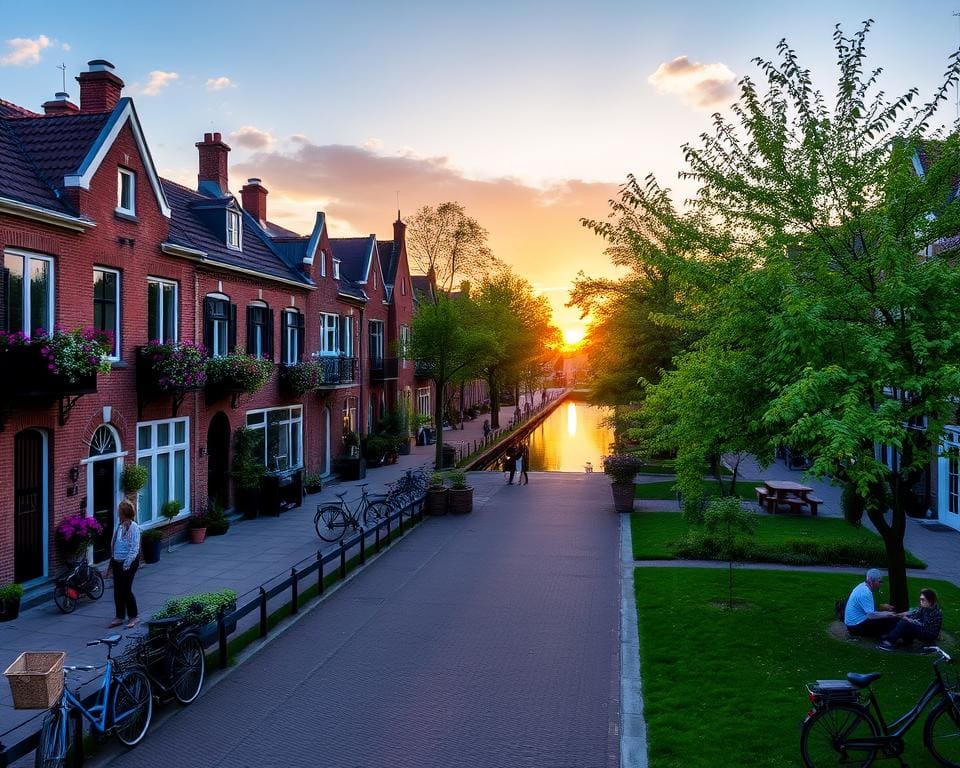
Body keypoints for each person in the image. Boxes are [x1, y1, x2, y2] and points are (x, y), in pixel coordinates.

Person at [108, 499, 141, 629]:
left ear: (124, 513)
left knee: (126, 589)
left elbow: (134, 548)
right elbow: (114, 543)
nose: (118, 514)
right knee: (117, 590)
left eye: (119, 512)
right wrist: (113, 561)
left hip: (130, 562)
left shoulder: (134, 528)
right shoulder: (119, 525)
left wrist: (126, 564)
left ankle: (134, 616)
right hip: (117, 561)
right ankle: (119, 616)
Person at [878, 588, 943, 651]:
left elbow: (924, 625)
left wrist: (909, 620)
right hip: (922, 629)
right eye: (920, 599)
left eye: (923, 600)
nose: (921, 601)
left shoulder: (936, 612)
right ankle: (903, 640)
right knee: (900, 620)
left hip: (928, 635)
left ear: (930, 600)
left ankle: (889, 641)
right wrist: (898, 615)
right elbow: (914, 614)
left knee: (906, 623)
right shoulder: (925, 607)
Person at [844, 568, 898, 639]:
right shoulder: (865, 593)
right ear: (872, 581)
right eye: (879, 582)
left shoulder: (863, 586)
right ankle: (888, 639)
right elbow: (871, 615)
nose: (881, 584)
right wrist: (888, 614)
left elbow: (867, 607)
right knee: (889, 620)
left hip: (853, 624)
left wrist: (882, 607)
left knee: (886, 618)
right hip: (855, 627)